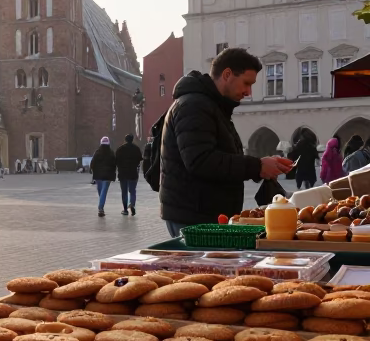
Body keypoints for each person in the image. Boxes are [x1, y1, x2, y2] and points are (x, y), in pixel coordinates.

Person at [159, 47, 293, 238]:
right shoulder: (194, 106)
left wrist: (262, 164)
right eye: (246, 83)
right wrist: (257, 166)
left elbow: (223, 156)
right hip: (193, 217)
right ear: (227, 74)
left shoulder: (213, 106)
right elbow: (201, 161)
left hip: (205, 212)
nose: (248, 92)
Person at [115, 132, 143, 216]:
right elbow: (139, 160)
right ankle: (132, 204)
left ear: (125, 139)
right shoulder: (136, 148)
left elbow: (116, 161)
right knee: (132, 191)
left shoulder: (120, 149)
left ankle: (125, 209)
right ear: (132, 139)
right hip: (133, 173)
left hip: (123, 173)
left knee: (124, 192)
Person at [90, 136, 116, 217]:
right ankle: (101, 208)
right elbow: (114, 165)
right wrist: (114, 174)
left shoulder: (97, 152)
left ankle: (101, 207)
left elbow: (93, 163)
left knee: (100, 191)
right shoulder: (111, 152)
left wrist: (91, 170)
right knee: (103, 192)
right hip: (108, 176)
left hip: (98, 175)